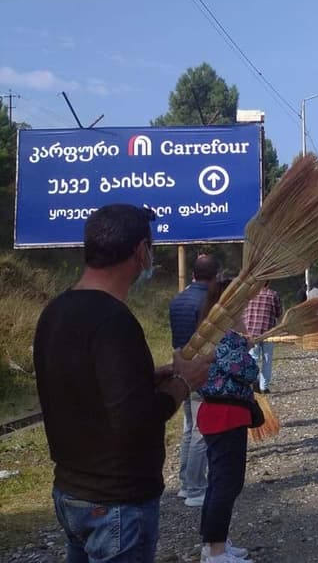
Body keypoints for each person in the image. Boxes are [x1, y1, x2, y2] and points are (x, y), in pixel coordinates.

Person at [33, 204, 212, 562]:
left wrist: (148, 378)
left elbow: (84, 389)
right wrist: (183, 381)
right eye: (152, 248)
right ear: (140, 252)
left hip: (71, 492)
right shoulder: (114, 321)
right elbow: (136, 418)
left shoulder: (55, 311)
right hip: (116, 503)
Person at [196, 278, 257, 563]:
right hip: (225, 416)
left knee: (219, 482)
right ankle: (216, 551)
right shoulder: (223, 336)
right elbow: (247, 371)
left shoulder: (209, 331)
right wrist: (244, 343)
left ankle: (214, 544)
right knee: (226, 484)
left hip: (219, 414)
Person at [170, 253, 221, 508]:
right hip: (201, 371)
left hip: (180, 369)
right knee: (203, 430)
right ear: (216, 277)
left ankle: (183, 483)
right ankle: (195, 487)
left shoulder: (177, 300)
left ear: (193, 275)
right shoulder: (210, 304)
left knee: (189, 428)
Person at [244, 280, 283, 394]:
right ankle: (263, 387)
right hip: (268, 333)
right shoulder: (272, 294)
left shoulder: (249, 294)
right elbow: (278, 313)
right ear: (268, 282)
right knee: (267, 360)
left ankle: (253, 383)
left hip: (250, 333)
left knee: (253, 358)